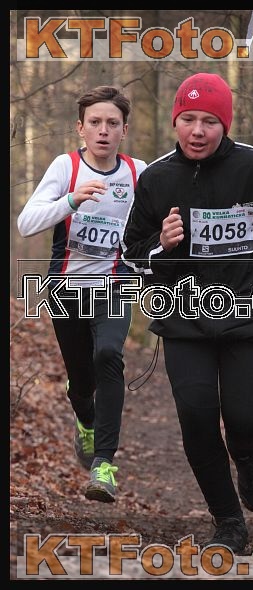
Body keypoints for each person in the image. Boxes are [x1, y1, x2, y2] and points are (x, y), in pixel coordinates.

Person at [121, 72, 253, 553]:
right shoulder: (157, 178)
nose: (197, 130)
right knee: (195, 419)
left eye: (209, 121)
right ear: (175, 122)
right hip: (184, 318)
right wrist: (162, 247)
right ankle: (229, 522)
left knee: (245, 418)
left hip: (249, 316)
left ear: (225, 124)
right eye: (188, 119)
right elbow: (131, 252)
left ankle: (248, 457)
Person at [17, 85, 147, 503]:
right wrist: (71, 200)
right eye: (95, 122)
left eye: (112, 123)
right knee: (81, 382)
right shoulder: (65, 166)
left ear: (124, 130)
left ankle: (103, 464)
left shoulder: (138, 172)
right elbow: (26, 224)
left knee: (108, 355)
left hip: (115, 286)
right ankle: (86, 421)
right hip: (66, 289)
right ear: (81, 128)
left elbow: (153, 227)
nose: (103, 130)